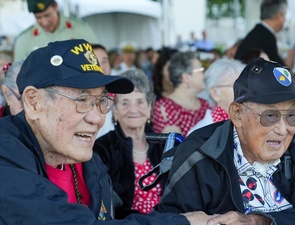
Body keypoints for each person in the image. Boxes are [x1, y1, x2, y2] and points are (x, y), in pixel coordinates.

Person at [0, 38, 212, 225]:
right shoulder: (5, 155)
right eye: (82, 100)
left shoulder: (89, 162)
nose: (96, 118)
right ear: (34, 102)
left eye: (101, 101)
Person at [158, 58, 295, 225]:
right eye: (270, 116)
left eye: (291, 116)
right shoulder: (200, 153)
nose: (283, 130)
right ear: (237, 114)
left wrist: (258, 221)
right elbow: (174, 219)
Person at [93, 69, 165, 219]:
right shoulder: (102, 149)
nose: (133, 109)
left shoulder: (165, 144)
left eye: (140, 102)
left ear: (149, 107)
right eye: (125, 103)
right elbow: (106, 202)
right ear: (115, 111)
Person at [13, 0, 98, 61]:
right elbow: (19, 72)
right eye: (38, 17)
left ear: (56, 7)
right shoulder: (24, 40)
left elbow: (98, 57)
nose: (44, 22)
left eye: (47, 15)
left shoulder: (80, 29)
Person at [152, 51, 211, 137]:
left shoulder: (205, 104)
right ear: (186, 77)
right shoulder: (165, 107)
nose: (205, 74)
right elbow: (175, 147)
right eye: (201, 70)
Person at [187, 59, 245, 135]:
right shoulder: (199, 134)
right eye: (234, 86)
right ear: (215, 93)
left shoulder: (252, 120)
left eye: (244, 85)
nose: (242, 91)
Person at [234, 0, 287, 65]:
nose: (285, 21)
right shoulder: (265, 37)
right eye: (284, 15)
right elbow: (279, 68)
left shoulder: (259, 32)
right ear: (278, 16)